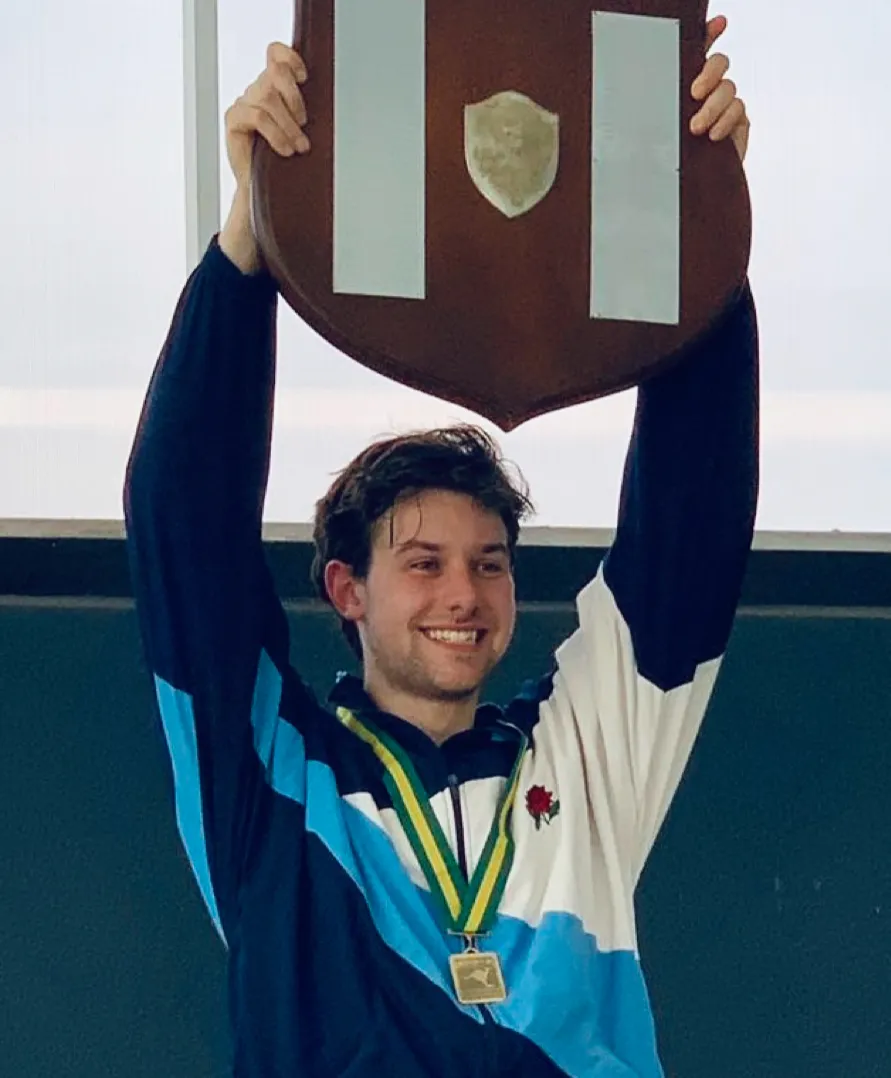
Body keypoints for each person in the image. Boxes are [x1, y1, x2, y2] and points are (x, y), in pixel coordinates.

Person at [124, 13, 757, 1077]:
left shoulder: (578, 763)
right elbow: (183, 522)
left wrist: (703, 238)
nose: (463, 593)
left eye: (490, 562)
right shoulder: (273, 776)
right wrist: (246, 243)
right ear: (347, 589)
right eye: (423, 563)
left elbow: (690, 532)